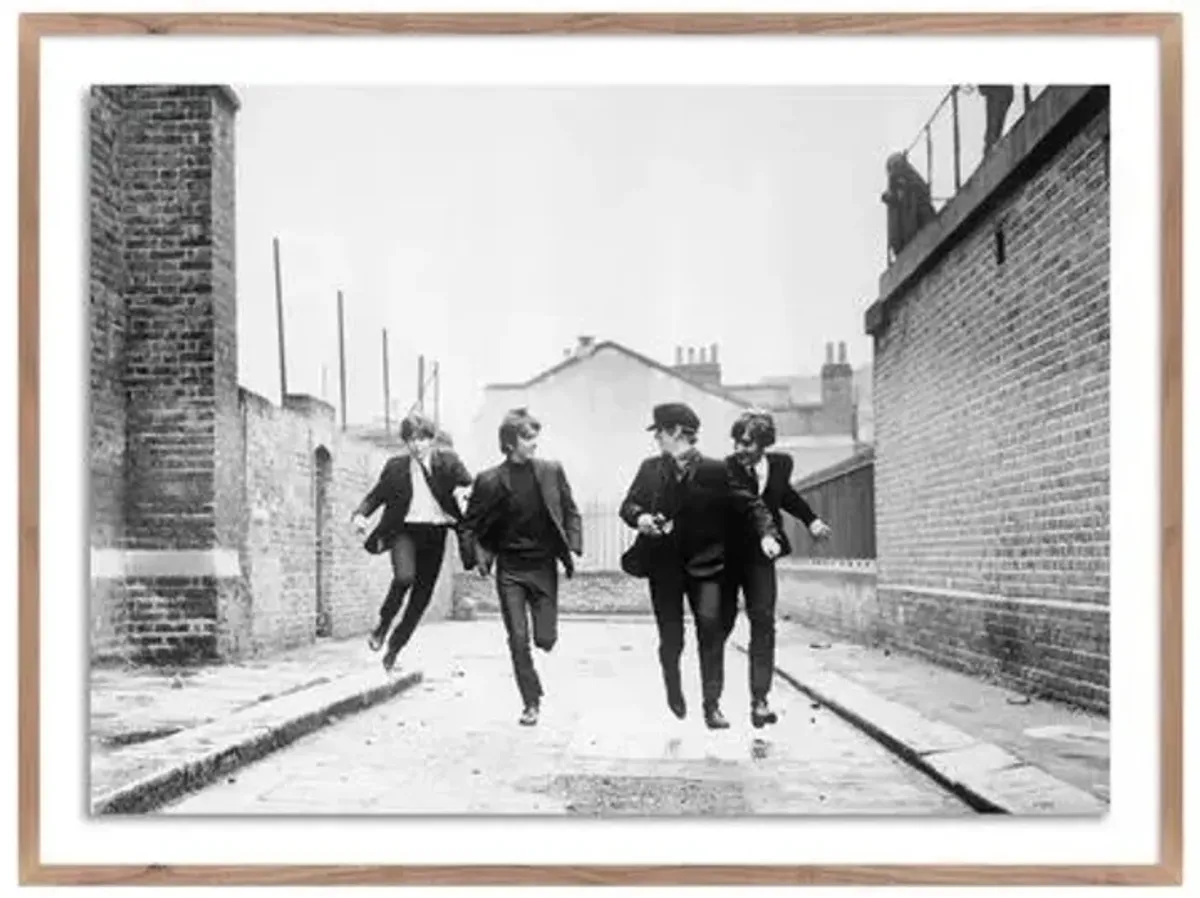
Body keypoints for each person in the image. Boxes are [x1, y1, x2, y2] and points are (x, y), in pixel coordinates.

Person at [619, 402, 780, 730]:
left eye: (660, 432)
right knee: (672, 637)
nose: (657, 439)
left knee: (710, 631)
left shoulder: (716, 470)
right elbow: (628, 505)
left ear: (677, 432)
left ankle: (712, 706)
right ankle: (673, 683)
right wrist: (642, 518)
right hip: (663, 570)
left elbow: (752, 504)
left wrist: (767, 534)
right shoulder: (651, 469)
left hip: (706, 571)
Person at [460, 408, 582, 726]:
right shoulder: (489, 480)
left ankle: (543, 650)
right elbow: (469, 524)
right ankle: (531, 702)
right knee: (517, 638)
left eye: (534, 437)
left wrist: (572, 544)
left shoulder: (551, 470)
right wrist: (476, 559)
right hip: (510, 570)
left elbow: (571, 510)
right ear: (510, 443)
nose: (534, 444)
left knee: (546, 639)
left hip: (543, 567)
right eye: (528, 438)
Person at [721, 409, 832, 728]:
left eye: (746, 443)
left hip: (760, 559)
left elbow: (787, 497)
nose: (739, 449)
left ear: (763, 444)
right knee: (720, 624)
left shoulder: (781, 465)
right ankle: (712, 695)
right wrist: (765, 533)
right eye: (736, 442)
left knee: (763, 624)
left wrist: (811, 520)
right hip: (729, 556)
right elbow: (743, 505)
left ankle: (759, 700)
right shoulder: (727, 469)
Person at [351, 412, 473, 673]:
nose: (417, 445)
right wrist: (361, 515)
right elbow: (376, 496)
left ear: (431, 439)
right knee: (404, 577)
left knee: (420, 599)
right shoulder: (396, 466)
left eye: (422, 439)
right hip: (404, 531)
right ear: (406, 442)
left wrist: (464, 493)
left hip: (436, 534)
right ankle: (383, 626)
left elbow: (467, 485)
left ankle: (395, 647)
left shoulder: (448, 461)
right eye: (411, 440)